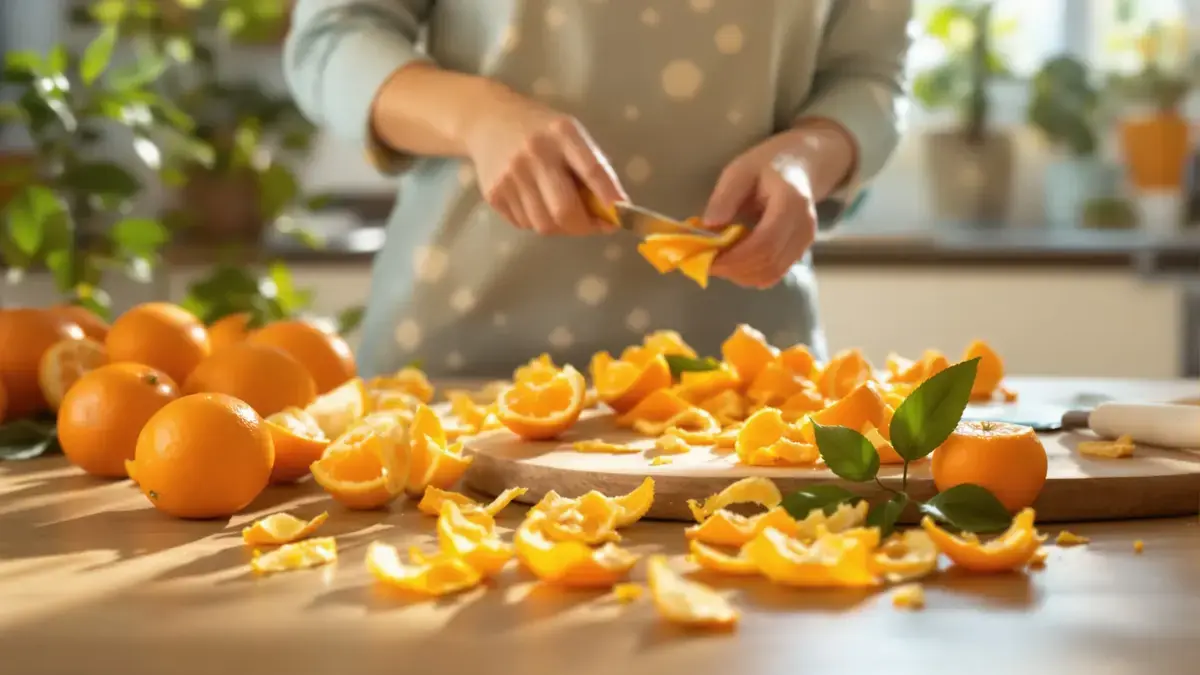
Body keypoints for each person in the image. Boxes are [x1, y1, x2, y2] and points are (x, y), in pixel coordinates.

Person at [284, 0, 912, 379]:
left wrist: (810, 155)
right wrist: (478, 116)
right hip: (453, 371)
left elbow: (869, 76)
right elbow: (332, 37)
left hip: (742, 379)